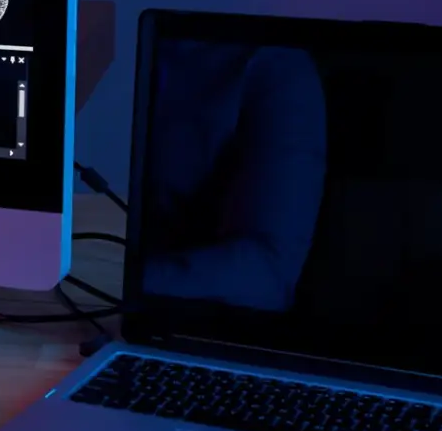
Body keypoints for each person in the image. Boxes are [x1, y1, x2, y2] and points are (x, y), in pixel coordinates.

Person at [139, 39, 328, 312]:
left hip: (190, 318)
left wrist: (125, 280)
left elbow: (265, 271)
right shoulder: (112, 39)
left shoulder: (277, 67)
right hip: (98, 295)